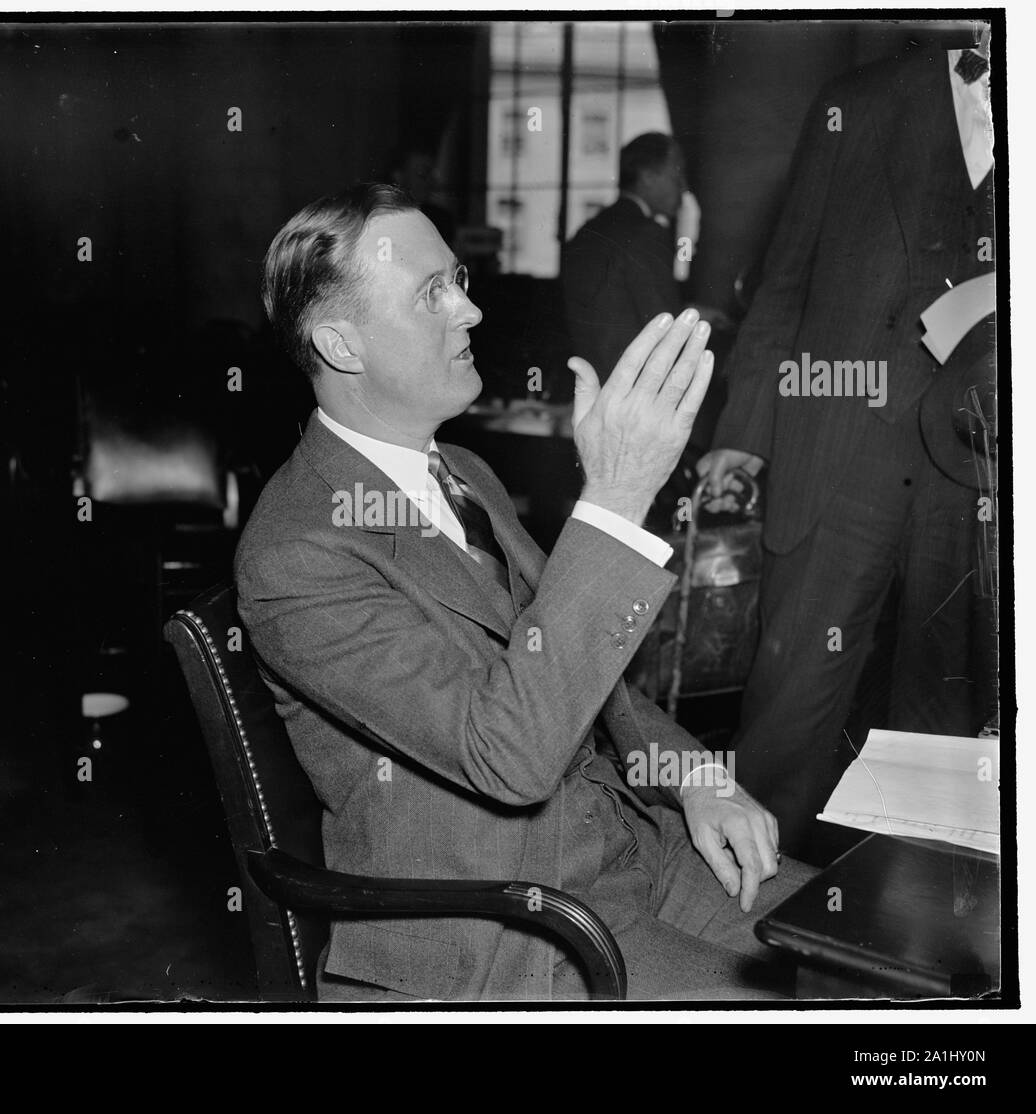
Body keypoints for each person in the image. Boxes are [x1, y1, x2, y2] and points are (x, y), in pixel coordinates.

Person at [234, 182, 814, 1002]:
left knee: (877, 949)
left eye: (458, 281)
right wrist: (612, 499)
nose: (469, 313)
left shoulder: (464, 472)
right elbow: (506, 758)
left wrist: (691, 775)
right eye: (430, 293)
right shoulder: (296, 552)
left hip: (631, 848)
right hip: (511, 930)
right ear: (341, 343)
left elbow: (578, 670)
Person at [696, 39, 995, 861]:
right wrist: (744, 437)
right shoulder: (858, 102)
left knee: (949, 731)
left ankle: (912, 944)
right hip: (840, 448)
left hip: (981, 469)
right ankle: (737, 929)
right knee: (790, 717)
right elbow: (784, 281)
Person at [560, 133, 686, 385]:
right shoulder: (646, 233)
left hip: (590, 382)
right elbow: (665, 324)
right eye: (676, 175)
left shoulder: (589, 230)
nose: (683, 187)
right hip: (637, 388)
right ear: (648, 176)